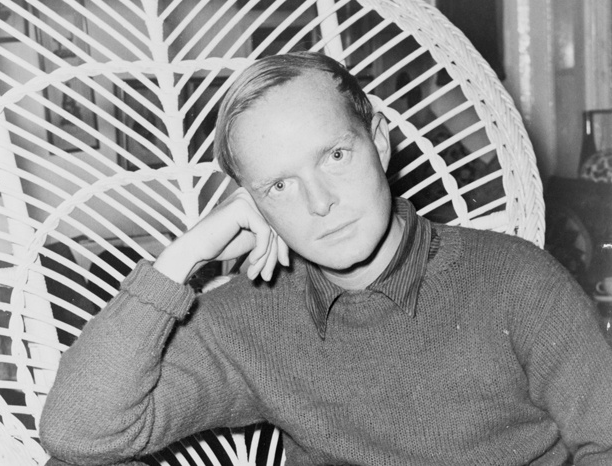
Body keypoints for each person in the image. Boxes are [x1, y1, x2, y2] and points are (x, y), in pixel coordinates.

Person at [40, 51, 612, 466]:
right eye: (279, 186)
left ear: (379, 141)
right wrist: (184, 256)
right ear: (250, 204)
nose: (320, 203)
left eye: (336, 155)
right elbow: (79, 435)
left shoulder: (516, 281)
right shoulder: (251, 318)